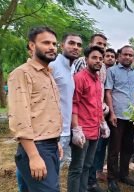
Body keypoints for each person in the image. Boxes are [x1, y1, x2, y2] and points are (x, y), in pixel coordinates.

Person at [8, 26, 62, 192]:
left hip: (50, 145)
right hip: (37, 148)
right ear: (32, 46)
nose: (52, 47)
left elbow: (44, 111)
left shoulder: (47, 73)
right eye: (46, 42)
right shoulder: (22, 73)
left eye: (54, 43)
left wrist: (55, 141)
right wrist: (33, 155)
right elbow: (19, 117)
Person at [67, 46, 109, 192]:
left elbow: (97, 105)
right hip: (82, 132)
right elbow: (74, 104)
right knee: (77, 168)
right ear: (86, 60)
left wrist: (103, 122)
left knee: (87, 165)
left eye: (100, 59)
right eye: (94, 58)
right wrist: (76, 129)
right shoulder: (79, 78)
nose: (98, 61)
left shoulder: (97, 80)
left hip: (95, 130)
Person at [105, 45, 134, 192]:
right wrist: (111, 113)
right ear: (119, 56)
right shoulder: (112, 71)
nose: (127, 57)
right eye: (125, 54)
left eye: (130, 55)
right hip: (117, 116)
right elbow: (108, 93)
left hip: (131, 117)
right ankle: (112, 179)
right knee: (114, 149)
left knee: (128, 148)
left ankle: (123, 174)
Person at [49, 33, 83, 169]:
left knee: (56, 169)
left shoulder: (72, 68)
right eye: (71, 43)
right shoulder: (52, 66)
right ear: (62, 45)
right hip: (53, 132)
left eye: (79, 45)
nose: (75, 47)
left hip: (66, 129)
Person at [88, 48, 117, 186]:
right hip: (98, 114)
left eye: (113, 56)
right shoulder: (98, 71)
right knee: (97, 146)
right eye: (107, 56)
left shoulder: (114, 71)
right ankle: (93, 174)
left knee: (105, 144)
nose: (110, 58)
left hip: (112, 114)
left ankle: (99, 170)